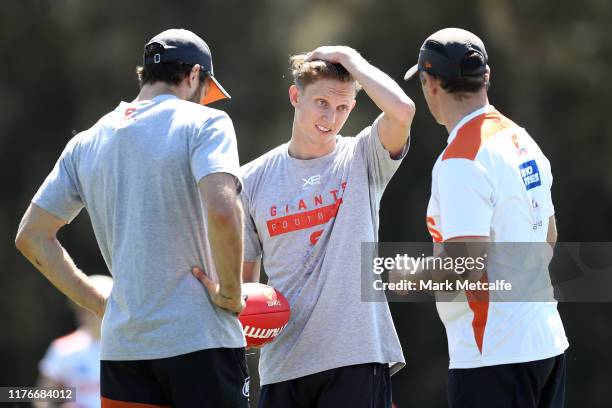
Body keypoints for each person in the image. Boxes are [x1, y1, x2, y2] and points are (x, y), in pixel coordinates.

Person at [15, 28, 248, 408]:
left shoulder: (85, 142)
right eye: (205, 90)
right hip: (200, 339)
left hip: (124, 350)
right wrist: (231, 294)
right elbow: (223, 212)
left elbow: (31, 237)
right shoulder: (206, 123)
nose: (204, 101)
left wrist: (98, 304)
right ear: (193, 76)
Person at [227, 45, 413, 407]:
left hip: (356, 358)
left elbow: (403, 111)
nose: (331, 117)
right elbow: (245, 285)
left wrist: (351, 59)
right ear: (296, 96)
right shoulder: (250, 179)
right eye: (322, 103)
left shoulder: (363, 156)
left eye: (343, 107)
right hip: (283, 365)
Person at [403, 28, 569, 407]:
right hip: (546, 343)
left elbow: (465, 266)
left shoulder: (460, 161)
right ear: (486, 77)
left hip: (493, 357)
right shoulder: (521, 138)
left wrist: (398, 275)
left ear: (429, 84)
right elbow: (550, 235)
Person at [36, 275, 113, 408]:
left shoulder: (134, 347)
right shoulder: (64, 347)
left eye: (93, 307)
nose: (85, 313)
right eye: (81, 307)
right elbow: (43, 397)